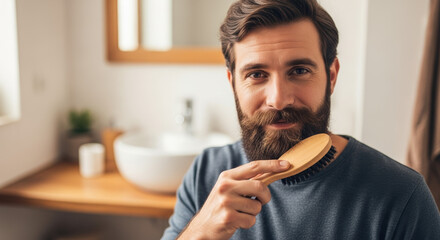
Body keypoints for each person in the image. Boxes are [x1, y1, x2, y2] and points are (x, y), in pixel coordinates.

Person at [161, 0, 440, 239]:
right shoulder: (206, 174)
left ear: (331, 76)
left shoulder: (402, 197)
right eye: (257, 74)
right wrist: (199, 231)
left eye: (299, 70)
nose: (279, 99)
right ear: (232, 83)